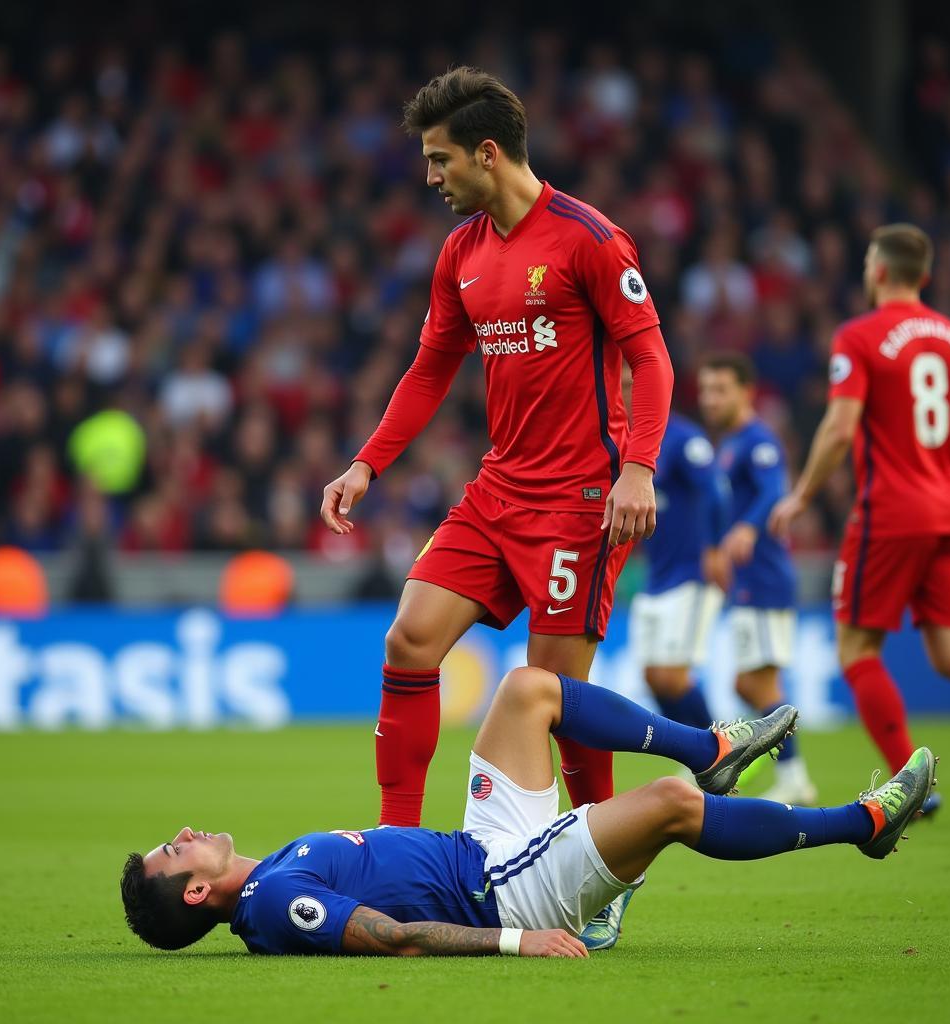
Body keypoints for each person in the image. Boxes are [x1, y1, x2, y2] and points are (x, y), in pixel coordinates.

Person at [319, 68, 674, 948]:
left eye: (440, 160)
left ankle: (602, 872)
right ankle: (398, 841)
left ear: (487, 153)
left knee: (558, 697)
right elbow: (431, 369)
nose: (430, 177)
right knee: (408, 638)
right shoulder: (462, 254)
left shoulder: (591, 239)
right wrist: (368, 463)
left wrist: (638, 470)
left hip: (581, 499)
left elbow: (652, 360)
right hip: (498, 491)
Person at [120, 668, 935, 958]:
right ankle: (864, 824)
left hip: (482, 845)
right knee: (670, 810)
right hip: (506, 889)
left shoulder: (267, 879)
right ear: (196, 893)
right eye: (174, 852)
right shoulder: (271, 904)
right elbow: (392, 936)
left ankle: (709, 746)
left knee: (526, 689)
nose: (185, 835)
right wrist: (518, 940)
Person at [770, 224, 950, 810]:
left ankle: (914, 787)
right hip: (949, 512)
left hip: (889, 512)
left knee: (858, 650)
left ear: (879, 271)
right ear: (925, 276)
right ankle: (916, 783)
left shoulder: (860, 336)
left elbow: (838, 427)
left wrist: (802, 496)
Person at [697, 354, 817, 804]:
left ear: (747, 391)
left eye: (721, 389)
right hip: (747, 580)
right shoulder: (729, 444)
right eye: (706, 390)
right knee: (749, 685)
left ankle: (794, 774)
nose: (710, 399)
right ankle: (766, 766)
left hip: (765, 579)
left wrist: (748, 526)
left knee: (760, 686)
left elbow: (772, 488)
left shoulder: (757, 440)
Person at [633, 411, 729, 728]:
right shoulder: (626, 436)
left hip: (689, 572)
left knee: (672, 677)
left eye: (630, 385)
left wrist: (715, 547)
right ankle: (696, 755)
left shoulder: (683, 438)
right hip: (656, 574)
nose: (625, 394)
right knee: (652, 677)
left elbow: (716, 489)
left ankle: (723, 751)